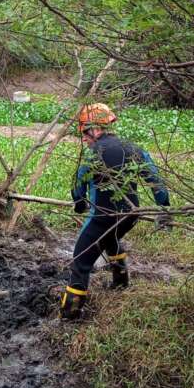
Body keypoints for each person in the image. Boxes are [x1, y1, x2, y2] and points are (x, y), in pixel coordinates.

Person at [60, 102, 171, 320]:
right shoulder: (134, 149)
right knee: (110, 237)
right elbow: (156, 181)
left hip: (103, 216)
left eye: (84, 131)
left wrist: (79, 203)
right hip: (130, 216)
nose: (83, 137)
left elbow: (78, 187)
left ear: (96, 129)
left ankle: (69, 314)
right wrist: (163, 208)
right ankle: (121, 283)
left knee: (80, 260)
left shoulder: (93, 153)